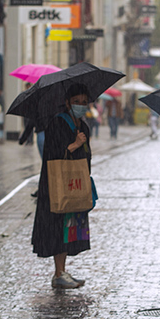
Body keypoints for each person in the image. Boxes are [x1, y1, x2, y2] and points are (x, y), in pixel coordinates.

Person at [32, 83, 93, 289]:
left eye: (84, 102)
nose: (81, 106)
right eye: (77, 102)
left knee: (69, 229)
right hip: (57, 186)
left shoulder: (83, 126)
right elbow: (52, 155)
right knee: (58, 227)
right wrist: (74, 145)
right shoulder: (57, 123)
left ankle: (62, 271)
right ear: (67, 103)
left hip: (75, 185)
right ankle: (58, 273)